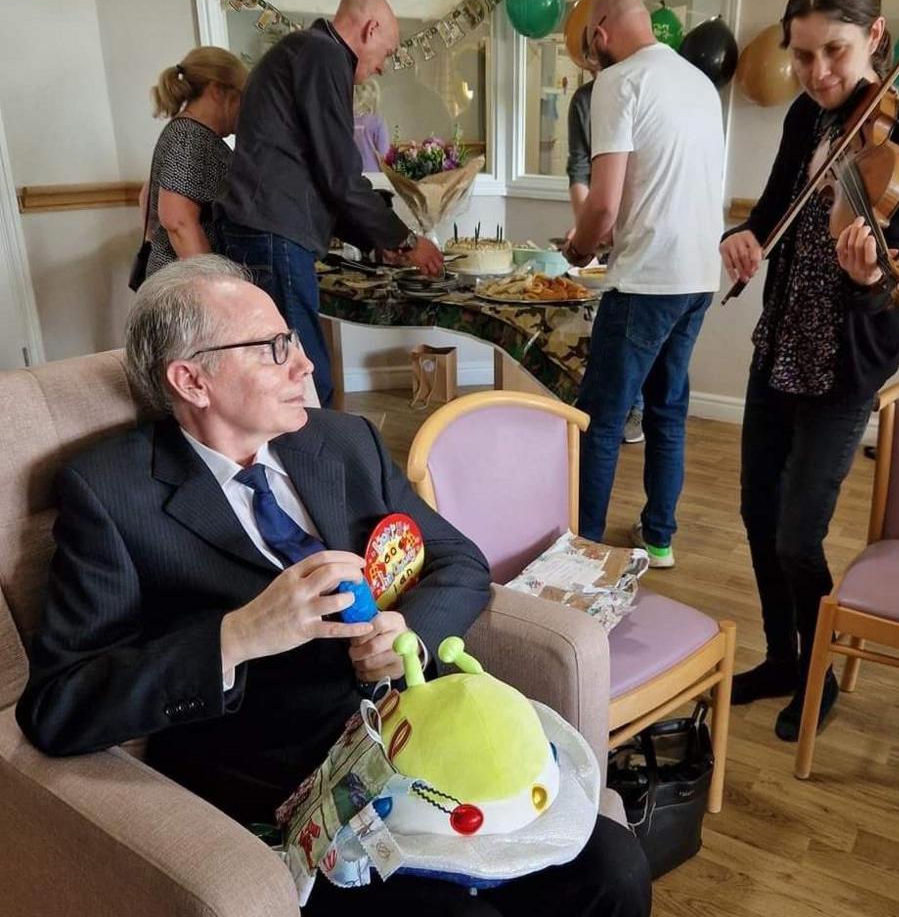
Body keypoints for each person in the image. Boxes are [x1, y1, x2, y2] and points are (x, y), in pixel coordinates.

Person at [15, 256, 650, 917]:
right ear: (191, 379)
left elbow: (458, 561)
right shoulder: (112, 493)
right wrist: (235, 637)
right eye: (273, 349)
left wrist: (411, 633)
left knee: (613, 868)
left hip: (419, 742)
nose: (306, 366)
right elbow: (59, 706)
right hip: (286, 788)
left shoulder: (346, 443)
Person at [719, 0, 899, 742]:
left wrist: (867, 273)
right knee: (753, 512)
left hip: (845, 360)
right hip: (780, 341)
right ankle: (782, 656)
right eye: (803, 54)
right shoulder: (802, 118)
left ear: (875, 37)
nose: (816, 72)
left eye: (835, 52)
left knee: (797, 532)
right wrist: (740, 235)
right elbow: (774, 208)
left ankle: (820, 670)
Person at [214, 0, 444, 407]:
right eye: (387, 52)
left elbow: (320, 177)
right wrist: (406, 241)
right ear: (370, 29)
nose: (383, 67)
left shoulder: (306, 52)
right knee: (302, 378)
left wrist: (379, 240)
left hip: (266, 230)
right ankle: (315, 470)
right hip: (275, 235)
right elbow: (340, 176)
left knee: (285, 369)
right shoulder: (322, 56)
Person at [566, 0, 725, 569]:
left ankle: (583, 546)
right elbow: (664, 182)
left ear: (601, 37)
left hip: (646, 280)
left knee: (601, 419)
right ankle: (658, 537)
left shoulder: (619, 81)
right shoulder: (698, 82)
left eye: (589, 51)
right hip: (698, 275)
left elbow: (603, 206)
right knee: (666, 409)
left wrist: (580, 248)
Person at [565, 37, 644, 447]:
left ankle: (632, 409)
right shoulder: (583, 100)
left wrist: (593, 231)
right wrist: (586, 227)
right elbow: (579, 169)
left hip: (636, 236)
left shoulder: (640, 86)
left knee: (633, 337)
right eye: (591, 66)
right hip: (603, 223)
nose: (597, 73)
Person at [143, 47, 248, 278]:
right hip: (187, 287)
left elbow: (146, 197)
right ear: (217, 91)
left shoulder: (187, 133)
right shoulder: (189, 136)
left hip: (178, 277)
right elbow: (177, 220)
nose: (245, 108)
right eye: (242, 96)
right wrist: (215, 286)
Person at [353, 76, 390, 172]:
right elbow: (384, 153)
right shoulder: (377, 121)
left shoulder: (346, 119)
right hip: (373, 173)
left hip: (349, 174)